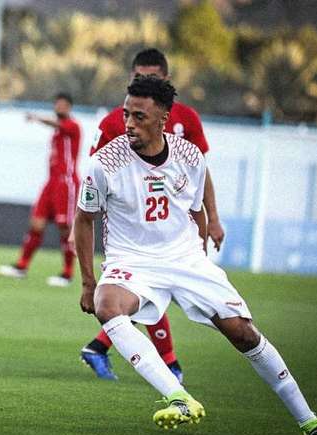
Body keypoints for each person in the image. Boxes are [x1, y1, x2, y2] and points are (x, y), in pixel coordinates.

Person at [73, 75, 317, 435]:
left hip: (185, 258)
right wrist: (89, 282)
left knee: (243, 333)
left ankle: (310, 421)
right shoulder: (104, 163)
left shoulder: (190, 157)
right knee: (108, 304)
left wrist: (199, 257)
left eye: (139, 117)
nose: (130, 124)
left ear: (164, 117)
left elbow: (195, 208)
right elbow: (84, 219)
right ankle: (178, 397)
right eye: (125, 115)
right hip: (132, 259)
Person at [80, 48, 224, 382]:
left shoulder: (185, 119)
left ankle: (101, 347)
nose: (144, 84)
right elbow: (96, 169)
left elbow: (201, 170)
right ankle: (170, 365)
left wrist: (212, 218)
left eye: (153, 78)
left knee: (150, 292)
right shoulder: (112, 122)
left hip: (172, 223)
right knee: (146, 288)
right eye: (138, 78)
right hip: (129, 225)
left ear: (166, 81)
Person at [0, 93, 81, 287]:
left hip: (66, 183)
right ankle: (21, 266)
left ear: (68, 107)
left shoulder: (72, 126)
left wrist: (35, 118)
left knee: (65, 227)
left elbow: (56, 124)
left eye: (62, 105)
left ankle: (67, 273)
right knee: (36, 223)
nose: (59, 107)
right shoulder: (58, 132)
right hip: (50, 183)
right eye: (57, 104)